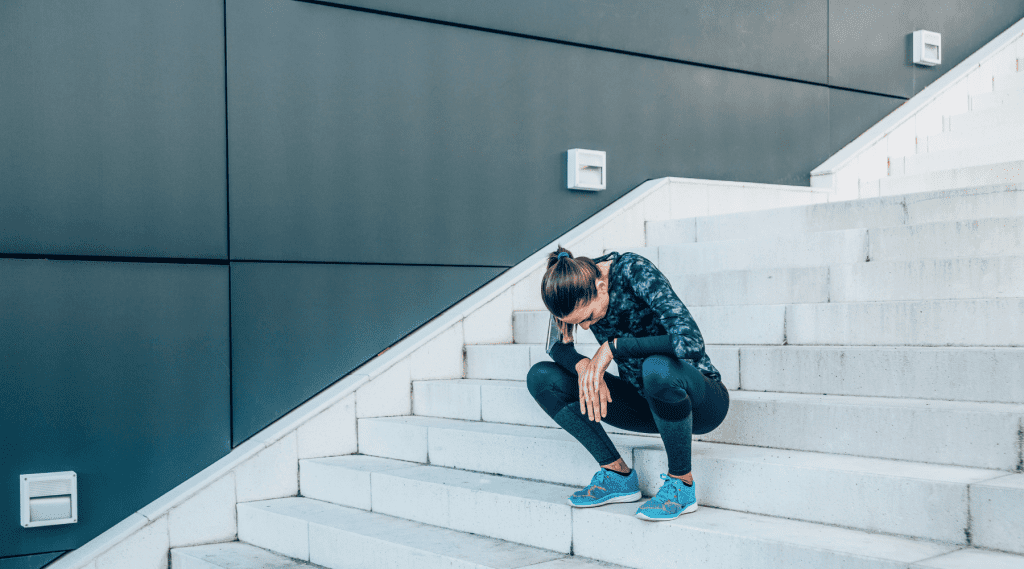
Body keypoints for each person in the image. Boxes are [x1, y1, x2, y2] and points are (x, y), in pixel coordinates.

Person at [526, 246, 729, 521]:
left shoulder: (632, 271)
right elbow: (555, 346)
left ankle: (682, 484)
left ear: (600, 287)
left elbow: (689, 341)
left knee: (655, 367)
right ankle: (617, 475)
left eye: (588, 318)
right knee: (542, 377)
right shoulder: (570, 282)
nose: (584, 327)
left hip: (698, 401)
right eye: (576, 322)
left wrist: (613, 348)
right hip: (643, 403)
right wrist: (584, 367)